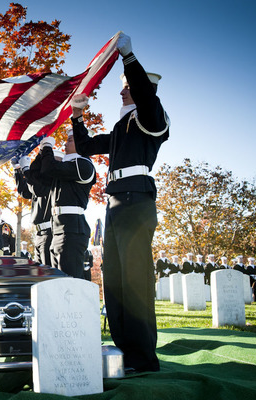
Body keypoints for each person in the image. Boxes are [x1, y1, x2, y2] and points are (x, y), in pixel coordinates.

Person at [72, 33, 170, 373]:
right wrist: (76, 116)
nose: (122, 89)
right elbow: (83, 146)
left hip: (136, 202)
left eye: (127, 86)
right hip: (114, 205)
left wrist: (128, 56)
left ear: (146, 91)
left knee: (135, 279)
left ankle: (143, 358)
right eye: (123, 86)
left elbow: (143, 94)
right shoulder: (119, 128)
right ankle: (124, 351)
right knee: (113, 278)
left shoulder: (152, 120)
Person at [35, 130, 96, 279]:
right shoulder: (67, 167)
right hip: (59, 226)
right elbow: (38, 180)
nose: (65, 143)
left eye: (70, 140)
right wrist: (41, 152)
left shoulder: (83, 165)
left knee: (69, 279)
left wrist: (48, 146)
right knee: (57, 279)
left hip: (71, 229)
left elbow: (50, 167)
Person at [14, 155, 53, 266]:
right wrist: (17, 170)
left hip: (49, 232)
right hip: (39, 233)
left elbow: (36, 187)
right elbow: (25, 192)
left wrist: (26, 170)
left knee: (48, 271)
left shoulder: (48, 181)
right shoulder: (37, 185)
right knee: (40, 271)